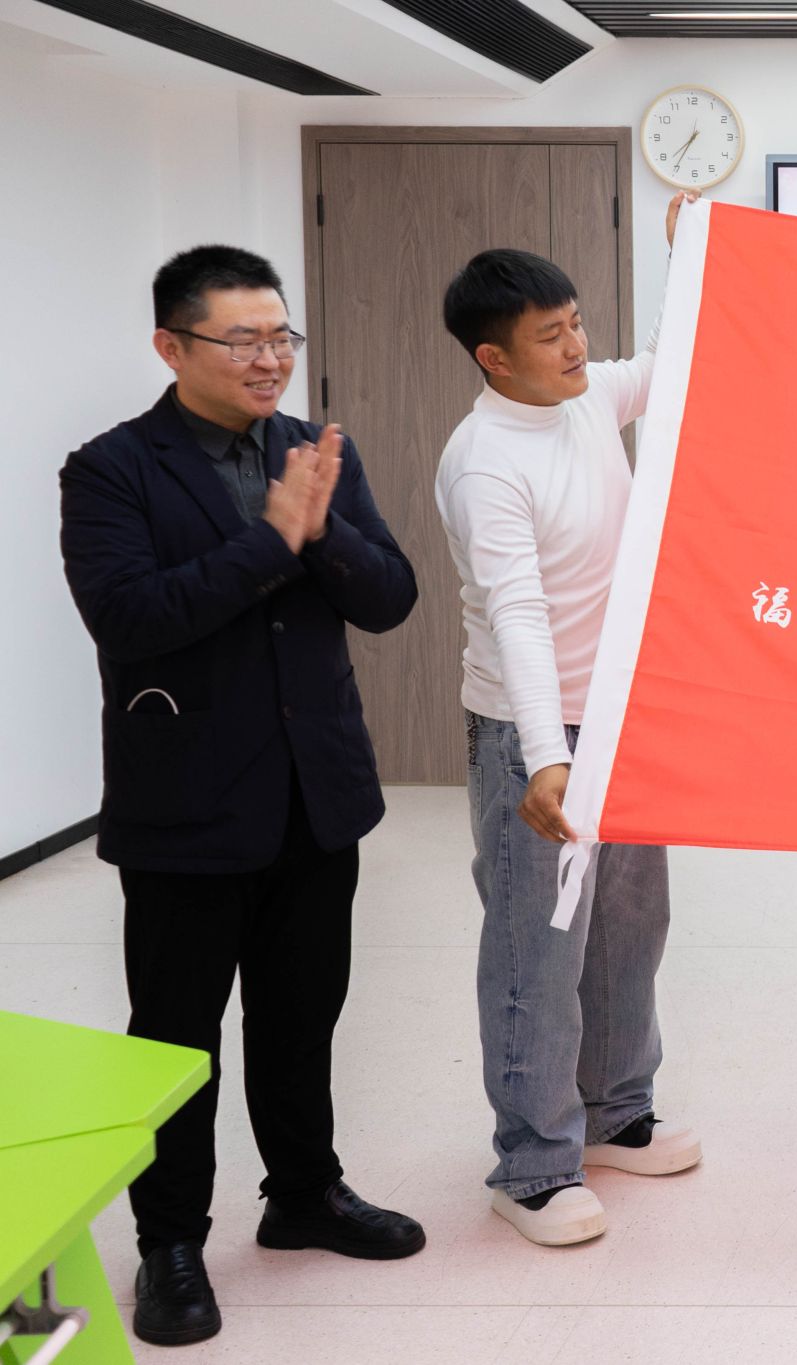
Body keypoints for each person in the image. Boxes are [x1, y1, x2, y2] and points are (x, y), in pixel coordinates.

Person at [58, 245, 423, 1346]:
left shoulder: (314, 451)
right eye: (243, 340)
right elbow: (131, 618)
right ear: (172, 347)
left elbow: (390, 597)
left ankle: (303, 1194)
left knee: (303, 1013)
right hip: (187, 802)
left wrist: (322, 526)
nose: (270, 360)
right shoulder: (111, 469)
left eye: (281, 336)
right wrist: (274, 538)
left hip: (317, 792)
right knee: (177, 1037)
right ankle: (169, 1241)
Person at [435, 190, 700, 1247]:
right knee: (536, 952)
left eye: (578, 323)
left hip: (622, 714)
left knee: (629, 928)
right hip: (530, 737)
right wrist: (547, 758)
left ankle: (615, 1113)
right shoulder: (484, 460)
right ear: (494, 358)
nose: (578, 346)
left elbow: (673, 365)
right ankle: (533, 1167)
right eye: (551, 335)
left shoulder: (586, 399)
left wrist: (688, 251)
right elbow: (520, 619)